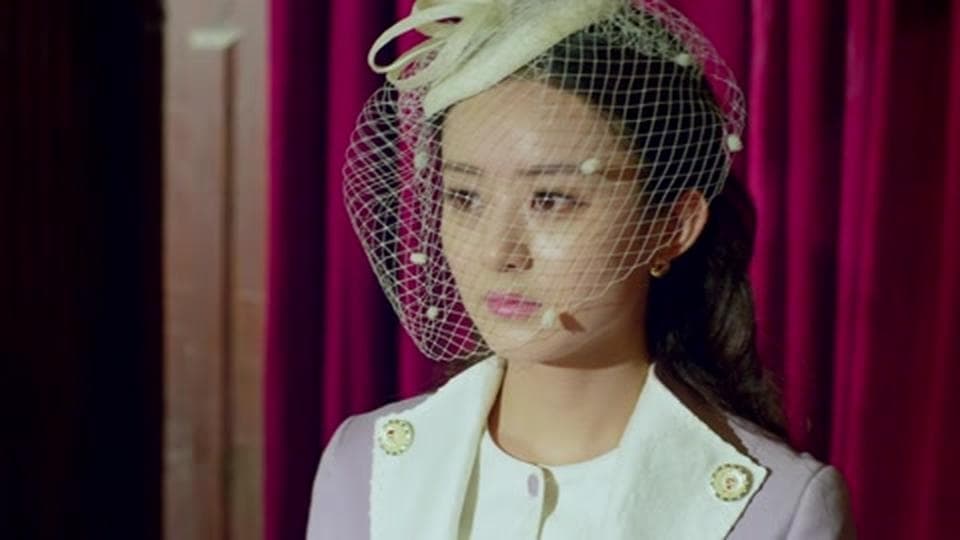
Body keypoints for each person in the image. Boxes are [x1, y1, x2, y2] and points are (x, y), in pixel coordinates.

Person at [308, 0, 855, 538]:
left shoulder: (778, 509)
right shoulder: (365, 466)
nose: (499, 252)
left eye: (551, 200)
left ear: (673, 225)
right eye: (465, 197)